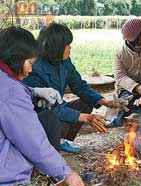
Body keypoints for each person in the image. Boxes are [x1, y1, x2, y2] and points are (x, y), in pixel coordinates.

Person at [0, 26, 85, 186]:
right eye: (29, 63)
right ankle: (43, 177)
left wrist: (33, 91)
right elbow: (31, 140)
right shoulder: (11, 92)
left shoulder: (6, 80)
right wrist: (65, 172)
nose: (31, 69)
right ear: (15, 59)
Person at [23, 22, 121, 153]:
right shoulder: (34, 68)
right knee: (52, 117)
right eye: (67, 45)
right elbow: (47, 108)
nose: (70, 48)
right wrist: (85, 117)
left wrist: (103, 101)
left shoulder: (64, 61)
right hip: (40, 117)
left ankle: (61, 139)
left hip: (57, 108)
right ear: (56, 47)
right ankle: (50, 143)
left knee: (87, 101)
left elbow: (79, 86)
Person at [111, 18, 141, 127]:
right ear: (137, 38)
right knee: (125, 102)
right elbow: (120, 77)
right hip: (127, 89)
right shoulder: (120, 52)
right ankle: (115, 119)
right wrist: (138, 88)